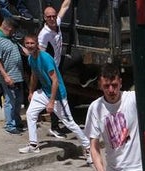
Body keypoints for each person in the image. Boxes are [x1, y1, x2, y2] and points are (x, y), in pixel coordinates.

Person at [19, 30, 91, 160]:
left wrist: (51, 102)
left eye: (32, 43)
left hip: (58, 95)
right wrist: (31, 91)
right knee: (30, 113)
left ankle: (88, 147)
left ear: (37, 44)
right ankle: (33, 145)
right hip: (44, 92)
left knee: (69, 123)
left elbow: (55, 81)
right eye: (27, 43)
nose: (29, 45)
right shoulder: (31, 58)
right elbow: (34, 75)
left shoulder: (45, 58)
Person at [37, 0, 73, 136]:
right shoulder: (44, 34)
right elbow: (40, 54)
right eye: (49, 17)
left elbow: (65, 6)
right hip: (50, 70)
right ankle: (54, 126)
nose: (52, 19)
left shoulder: (57, 22)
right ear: (44, 18)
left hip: (58, 64)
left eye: (53, 16)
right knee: (55, 97)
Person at [0, 17, 25, 135]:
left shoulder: (10, 39)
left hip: (18, 76)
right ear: (9, 28)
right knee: (10, 101)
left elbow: (22, 51)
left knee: (18, 100)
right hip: (8, 77)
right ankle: (10, 125)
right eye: (13, 30)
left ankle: (17, 121)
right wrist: (6, 76)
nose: (14, 32)